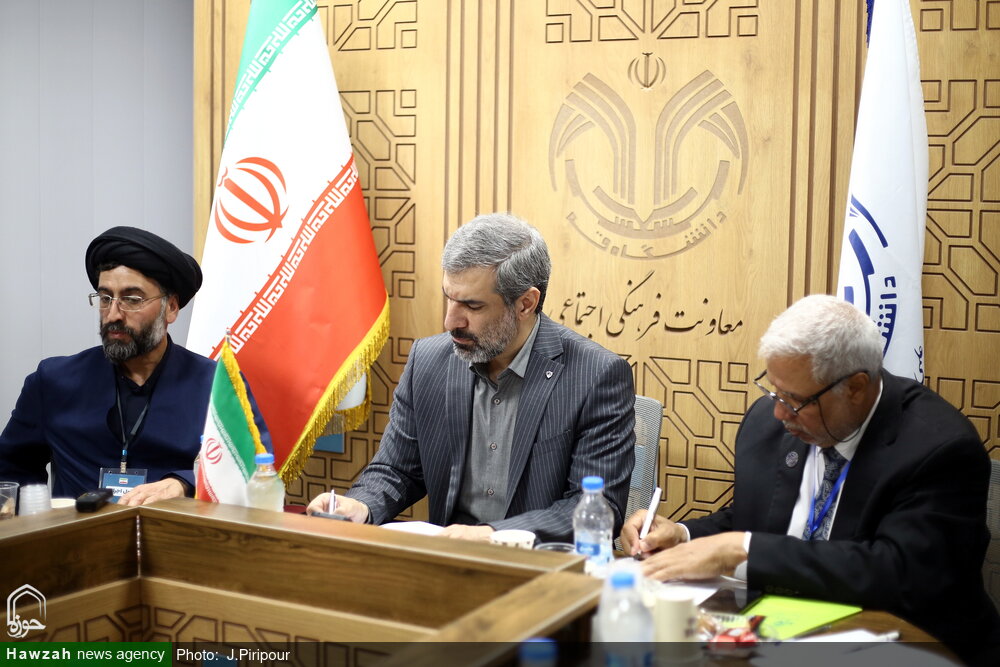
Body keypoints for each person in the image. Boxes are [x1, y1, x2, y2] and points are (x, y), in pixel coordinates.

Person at [621, 294, 1000, 664]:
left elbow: (901, 575)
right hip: (779, 636)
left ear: (856, 388)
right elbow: (754, 518)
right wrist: (682, 535)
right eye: (774, 391)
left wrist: (745, 551)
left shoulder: (939, 448)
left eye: (795, 400)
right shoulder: (768, 425)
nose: (779, 413)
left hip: (900, 643)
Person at [307, 212, 635, 542]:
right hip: (449, 559)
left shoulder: (595, 376)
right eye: (449, 297)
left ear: (525, 303)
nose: (451, 321)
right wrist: (362, 505)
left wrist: (494, 536)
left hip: (540, 564)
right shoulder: (428, 361)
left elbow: (596, 507)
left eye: (472, 306)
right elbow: (397, 469)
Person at [0, 226, 269, 506]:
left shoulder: (215, 385)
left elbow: (251, 467)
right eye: (105, 298)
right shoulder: (54, 381)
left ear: (171, 308)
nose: (113, 314)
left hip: (175, 531)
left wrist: (185, 482)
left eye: (132, 299)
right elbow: (10, 470)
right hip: (79, 532)